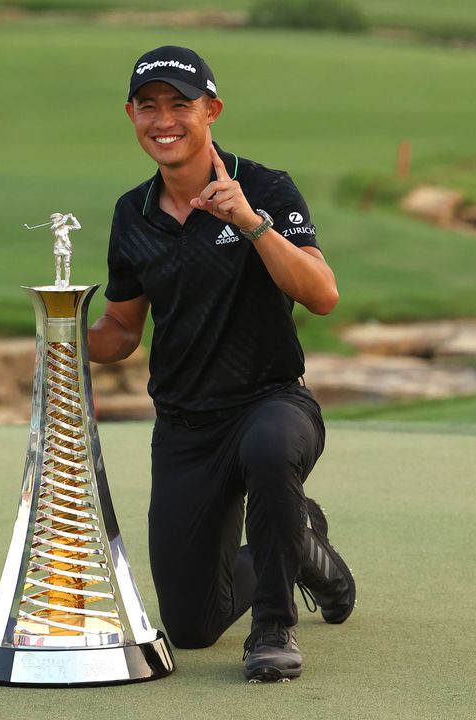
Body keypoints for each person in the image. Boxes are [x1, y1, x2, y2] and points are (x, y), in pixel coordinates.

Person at [87, 45, 356, 683]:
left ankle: (273, 628)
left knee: (269, 449)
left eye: (180, 105)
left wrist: (252, 223)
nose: (163, 121)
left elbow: (321, 295)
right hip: (185, 426)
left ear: (212, 110)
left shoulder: (263, 187)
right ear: (130, 115)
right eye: (148, 108)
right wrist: (58, 334)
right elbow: (123, 329)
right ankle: (303, 539)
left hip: (270, 402)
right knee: (191, 625)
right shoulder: (134, 213)